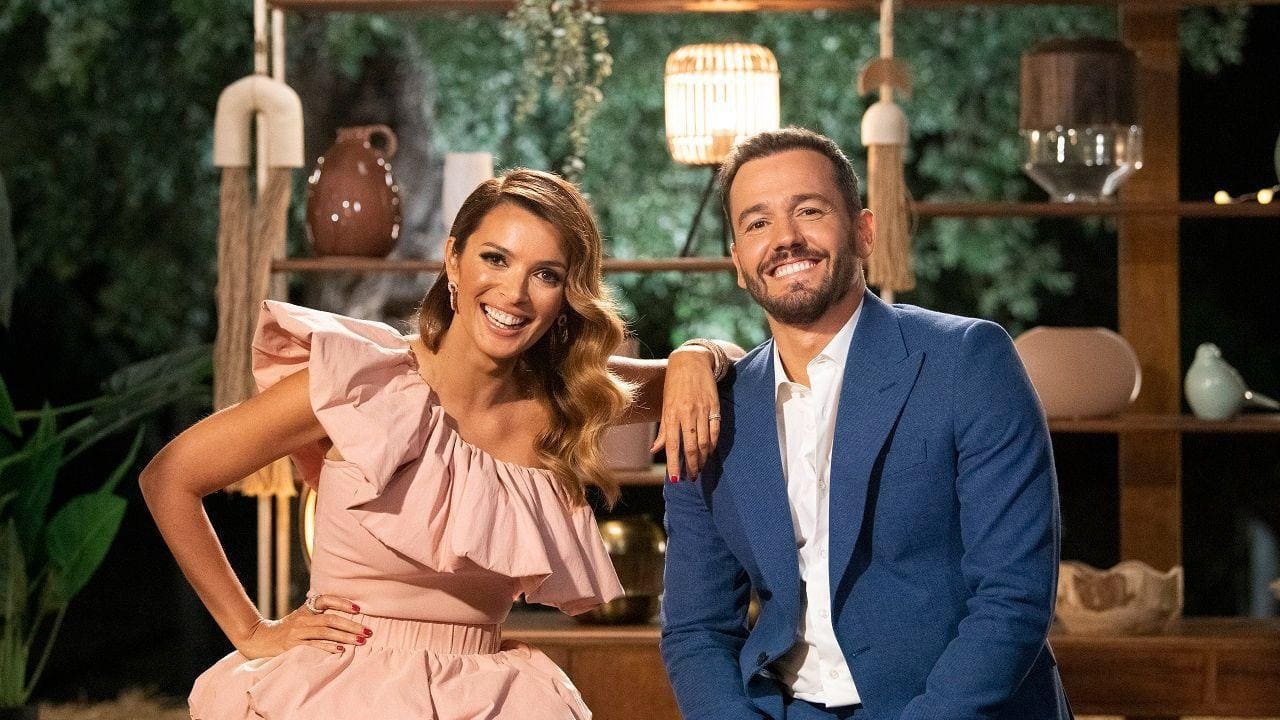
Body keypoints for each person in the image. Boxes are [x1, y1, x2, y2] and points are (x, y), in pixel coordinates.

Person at [141, 168, 730, 720]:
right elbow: (171, 477)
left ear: (566, 295)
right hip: (336, 691)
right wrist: (250, 631)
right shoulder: (361, 384)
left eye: (546, 274)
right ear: (453, 260)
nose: (515, 293)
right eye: (495, 259)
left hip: (487, 697)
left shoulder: (566, 400)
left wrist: (696, 353)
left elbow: (738, 367)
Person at [659, 128, 1072, 720]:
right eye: (757, 223)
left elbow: (1013, 599)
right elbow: (696, 630)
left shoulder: (968, 361)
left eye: (810, 211)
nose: (785, 238)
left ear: (865, 232)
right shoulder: (710, 409)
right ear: (738, 262)